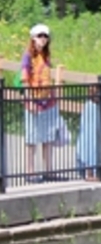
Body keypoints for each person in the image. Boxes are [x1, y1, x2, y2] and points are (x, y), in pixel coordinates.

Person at [20, 23, 59, 183]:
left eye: (45, 36)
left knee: (48, 137)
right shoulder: (28, 57)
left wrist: (55, 97)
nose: (43, 39)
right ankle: (30, 172)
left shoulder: (47, 56)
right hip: (34, 101)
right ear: (33, 38)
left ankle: (48, 170)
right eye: (39, 36)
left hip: (48, 102)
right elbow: (24, 79)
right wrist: (29, 100)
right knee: (32, 138)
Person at [76, 85, 100, 182]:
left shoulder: (89, 105)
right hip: (91, 133)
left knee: (92, 152)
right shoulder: (92, 106)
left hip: (90, 133)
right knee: (91, 152)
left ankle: (92, 172)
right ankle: (90, 174)